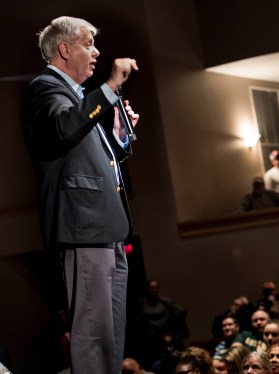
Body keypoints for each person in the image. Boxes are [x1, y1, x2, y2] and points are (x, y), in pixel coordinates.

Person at [20, 16, 140, 374]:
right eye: (88, 43)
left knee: (110, 338)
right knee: (93, 337)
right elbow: (64, 127)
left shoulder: (74, 96)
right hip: (84, 227)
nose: (97, 51)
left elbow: (83, 148)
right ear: (64, 49)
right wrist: (110, 86)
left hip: (104, 227)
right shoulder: (45, 88)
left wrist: (118, 134)